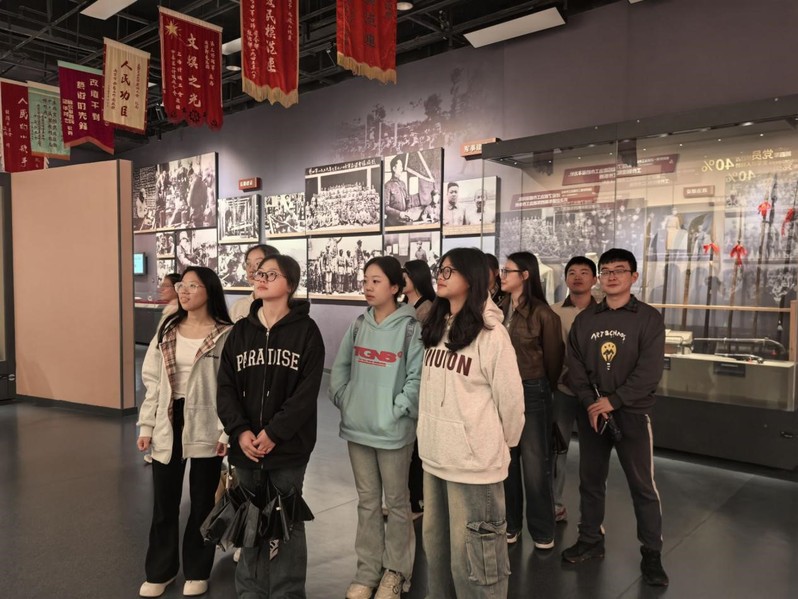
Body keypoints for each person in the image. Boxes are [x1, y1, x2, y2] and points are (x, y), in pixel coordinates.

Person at [217, 254, 326, 598]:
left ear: (290, 284)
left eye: (271, 274)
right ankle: (249, 590)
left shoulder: (307, 332)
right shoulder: (241, 332)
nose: (261, 278)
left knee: (286, 522)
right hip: (246, 447)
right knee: (248, 519)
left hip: (288, 448)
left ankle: (287, 592)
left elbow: (306, 393)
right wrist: (239, 431)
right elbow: (225, 387)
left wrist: (275, 433)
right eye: (259, 273)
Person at [418, 248, 524, 599]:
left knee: (476, 567)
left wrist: (497, 445)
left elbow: (511, 401)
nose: (441, 275)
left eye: (450, 270)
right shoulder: (437, 327)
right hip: (435, 458)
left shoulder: (492, 334)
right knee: (438, 556)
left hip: (474, 466)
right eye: (440, 268)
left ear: (472, 277)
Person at [562, 248, 668, 587]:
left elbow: (649, 372)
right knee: (590, 481)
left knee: (642, 486)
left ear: (633, 276)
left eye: (619, 270)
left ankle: (651, 553)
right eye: (606, 270)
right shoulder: (586, 320)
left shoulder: (648, 319)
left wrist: (614, 400)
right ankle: (590, 540)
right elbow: (575, 366)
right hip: (593, 414)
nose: (611, 276)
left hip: (632, 414)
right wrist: (591, 402)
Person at [136, 267, 234, 598]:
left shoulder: (226, 334)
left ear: (210, 291)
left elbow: (231, 388)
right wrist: (147, 425)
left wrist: (226, 432)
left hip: (207, 421)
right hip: (169, 418)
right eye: (182, 285)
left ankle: (197, 569)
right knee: (164, 503)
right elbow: (152, 380)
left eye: (193, 285)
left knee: (203, 501)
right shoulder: (168, 328)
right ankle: (160, 571)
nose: (184, 291)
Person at [330, 256, 423, 599]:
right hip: (358, 427)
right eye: (366, 280)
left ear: (395, 287)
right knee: (367, 503)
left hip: (393, 431)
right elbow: (340, 367)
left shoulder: (411, 328)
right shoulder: (359, 324)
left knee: (397, 503)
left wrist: (397, 410)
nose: (368, 287)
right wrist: (345, 399)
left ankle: (396, 573)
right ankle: (367, 572)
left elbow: (416, 378)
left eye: (376, 281)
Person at [499, 252, 564, 549]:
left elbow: (554, 361)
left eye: (508, 271)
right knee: (507, 462)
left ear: (525, 275)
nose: (502, 275)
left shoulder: (542, 314)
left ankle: (542, 530)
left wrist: (540, 387)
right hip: (503, 390)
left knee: (536, 464)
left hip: (532, 389)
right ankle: (510, 524)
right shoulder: (498, 309)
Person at [549, 257, 597, 523]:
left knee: (594, 455)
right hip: (563, 390)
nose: (578, 277)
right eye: (572, 273)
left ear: (594, 279)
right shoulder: (553, 312)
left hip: (595, 395)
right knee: (558, 450)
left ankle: (591, 516)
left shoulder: (604, 313)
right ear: (565, 278)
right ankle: (554, 504)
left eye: (584, 272)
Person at [228, 244, 280, 322]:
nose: (251, 269)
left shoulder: (281, 307)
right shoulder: (238, 306)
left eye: (258, 263)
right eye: (248, 263)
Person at [384, 156, 412, 226]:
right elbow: (385, 207)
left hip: (404, 221)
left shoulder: (403, 184)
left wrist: (408, 209)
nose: (402, 169)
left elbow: (408, 200)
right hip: (392, 223)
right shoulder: (387, 185)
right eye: (400, 166)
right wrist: (399, 213)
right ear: (394, 168)